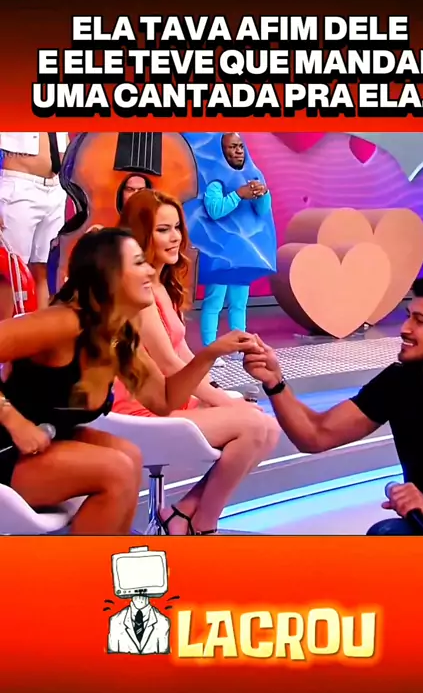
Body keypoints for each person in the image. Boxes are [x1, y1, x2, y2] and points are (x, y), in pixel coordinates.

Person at [0, 227, 257, 536]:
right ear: (108, 274)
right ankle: (79, 566)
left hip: (45, 440)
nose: (149, 270)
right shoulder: (63, 322)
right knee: (116, 469)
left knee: (129, 456)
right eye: (138, 262)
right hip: (7, 444)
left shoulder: (118, 336)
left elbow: (165, 401)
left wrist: (210, 354)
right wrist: (12, 419)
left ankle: (102, 561)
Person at [243, 278, 423, 535]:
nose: (405, 328)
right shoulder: (401, 380)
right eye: (408, 317)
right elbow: (315, 435)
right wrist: (274, 382)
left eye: (420, 321)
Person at [113, 189, 281, 535]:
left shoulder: (161, 285)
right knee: (253, 426)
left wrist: (218, 392)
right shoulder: (137, 291)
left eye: (177, 227)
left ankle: (185, 514)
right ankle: (202, 523)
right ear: (142, 235)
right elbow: (170, 365)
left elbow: (183, 356)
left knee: (268, 429)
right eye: (163, 230)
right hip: (141, 410)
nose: (175, 237)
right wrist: (226, 402)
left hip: (171, 398)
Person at [198, 133, 274, 365]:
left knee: (239, 303)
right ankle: (210, 349)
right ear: (222, 151)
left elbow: (262, 212)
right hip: (220, 253)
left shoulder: (254, 174)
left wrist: (263, 194)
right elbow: (214, 210)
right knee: (214, 302)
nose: (239, 150)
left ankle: (239, 346)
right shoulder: (215, 178)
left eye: (241, 146)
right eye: (232, 147)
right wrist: (238, 195)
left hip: (243, 253)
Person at [0, 132, 69, 309]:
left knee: (43, 267)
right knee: (11, 270)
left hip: (55, 188)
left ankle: (39, 323)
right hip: (19, 184)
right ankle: (6, 325)